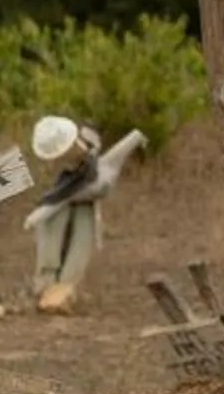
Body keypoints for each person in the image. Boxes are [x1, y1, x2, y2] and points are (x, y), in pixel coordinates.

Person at [22, 114, 147, 313]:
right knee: (51, 234)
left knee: (80, 240)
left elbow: (107, 166)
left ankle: (66, 289)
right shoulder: (63, 171)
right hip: (62, 200)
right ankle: (46, 286)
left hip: (84, 200)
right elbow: (58, 194)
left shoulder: (91, 152)